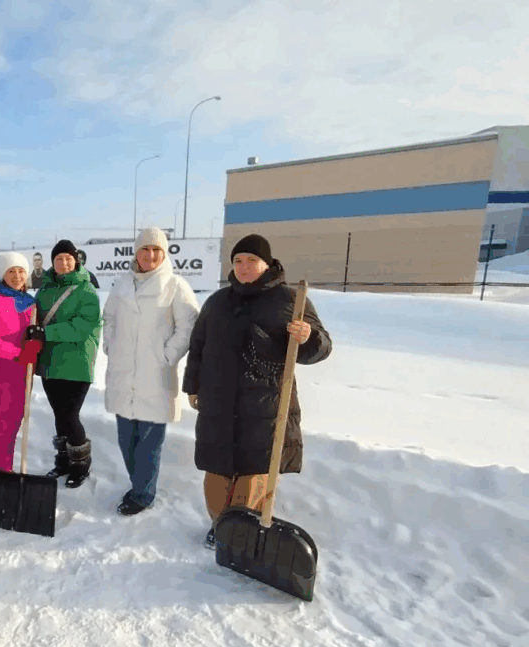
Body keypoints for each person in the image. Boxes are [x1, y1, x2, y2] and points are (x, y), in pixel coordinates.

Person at [183, 234, 332, 547]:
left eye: (252, 260)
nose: (244, 266)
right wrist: (192, 387)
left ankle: (242, 529)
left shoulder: (291, 300)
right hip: (218, 402)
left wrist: (308, 337)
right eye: (238, 261)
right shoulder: (217, 301)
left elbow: (321, 348)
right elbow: (198, 347)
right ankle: (220, 525)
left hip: (266, 403)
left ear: (267, 264)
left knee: (255, 471)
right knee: (218, 470)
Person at [102, 227, 200, 515]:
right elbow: (109, 317)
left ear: (164, 253)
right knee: (126, 440)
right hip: (123, 374)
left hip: (154, 376)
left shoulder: (175, 285)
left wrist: (167, 355)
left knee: (148, 442)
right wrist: (111, 345)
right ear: (136, 252)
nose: (151, 255)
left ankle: (143, 494)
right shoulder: (122, 284)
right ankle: (138, 484)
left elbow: (189, 327)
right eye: (145, 249)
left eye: (157, 249)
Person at [26, 239, 102, 488]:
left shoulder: (86, 291)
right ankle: (63, 460)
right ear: (53, 262)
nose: (64, 262)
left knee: (69, 416)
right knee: (60, 415)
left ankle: (80, 464)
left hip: (76, 363)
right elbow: (33, 317)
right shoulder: (44, 289)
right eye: (59, 259)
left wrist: (45, 333)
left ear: (76, 261)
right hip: (50, 363)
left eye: (68, 258)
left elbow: (81, 327)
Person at [0, 252, 39, 492]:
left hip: (24, 373)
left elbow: (34, 335)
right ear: (3, 274)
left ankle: (5, 471)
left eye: (21, 271)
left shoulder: (30, 303)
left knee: (13, 426)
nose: (17, 276)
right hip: (1, 372)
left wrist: (36, 345)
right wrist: (17, 353)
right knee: (0, 427)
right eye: (11, 271)